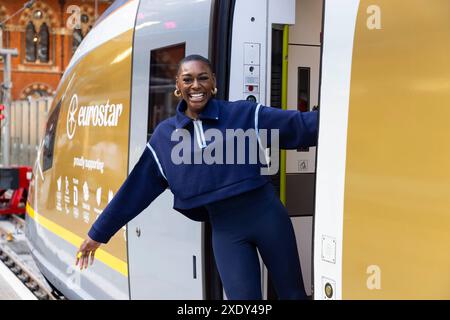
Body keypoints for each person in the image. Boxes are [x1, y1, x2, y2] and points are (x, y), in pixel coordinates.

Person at [75, 54, 318, 300]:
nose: (196, 85)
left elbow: (299, 125)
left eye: (203, 78)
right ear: (178, 86)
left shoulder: (244, 114)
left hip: (269, 218)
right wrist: (98, 234)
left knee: (293, 296)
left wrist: (348, 114)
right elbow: (135, 191)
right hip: (226, 231)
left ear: (213, 82)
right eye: (187, 79)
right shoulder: (165, 137)